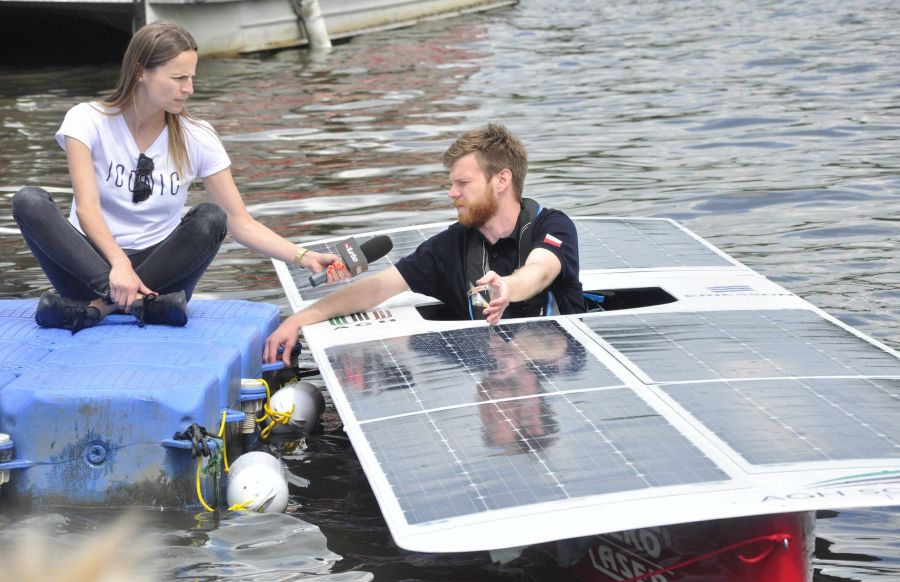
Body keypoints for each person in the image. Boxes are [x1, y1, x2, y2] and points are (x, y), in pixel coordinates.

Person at [11, 21, 347, 333]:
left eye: (191, 78)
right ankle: (137, 305)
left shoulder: (198, 136)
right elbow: (86, 208)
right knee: (29, 201)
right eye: (178, 78)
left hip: (161, 273)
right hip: (90, 267)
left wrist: (303, 257)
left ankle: (98, 309)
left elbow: (240, 223)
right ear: (141, 72)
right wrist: (117, 267)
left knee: (211, 218)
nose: (189, 89)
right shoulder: (87, 120)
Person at [265, 123, 584, 365]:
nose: (452, 193)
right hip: (490, 371)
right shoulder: (450, 246)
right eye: (451, 184)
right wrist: (298, 320)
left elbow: (540, 270)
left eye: (463, 183)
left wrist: (509, 287)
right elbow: (376, 288)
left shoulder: (553, 226)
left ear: (501, 180)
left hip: (560, 377)